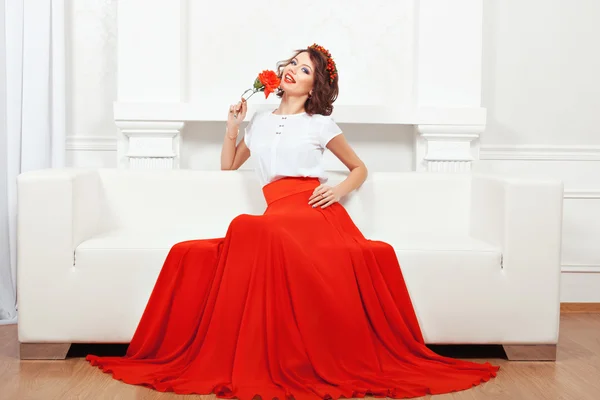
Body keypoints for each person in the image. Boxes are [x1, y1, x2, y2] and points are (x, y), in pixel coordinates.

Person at [87, 44, 499, 399]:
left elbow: (359, 168)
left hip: (314, 214)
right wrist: (232, 129)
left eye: (305, 69)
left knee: (248, 228)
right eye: (293, 63)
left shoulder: (320, 125)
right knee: (198, 248)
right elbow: (229, 166)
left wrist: (338, 191)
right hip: (276, 213)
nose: (293, 70)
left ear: (313, 85)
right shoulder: (261, 121)